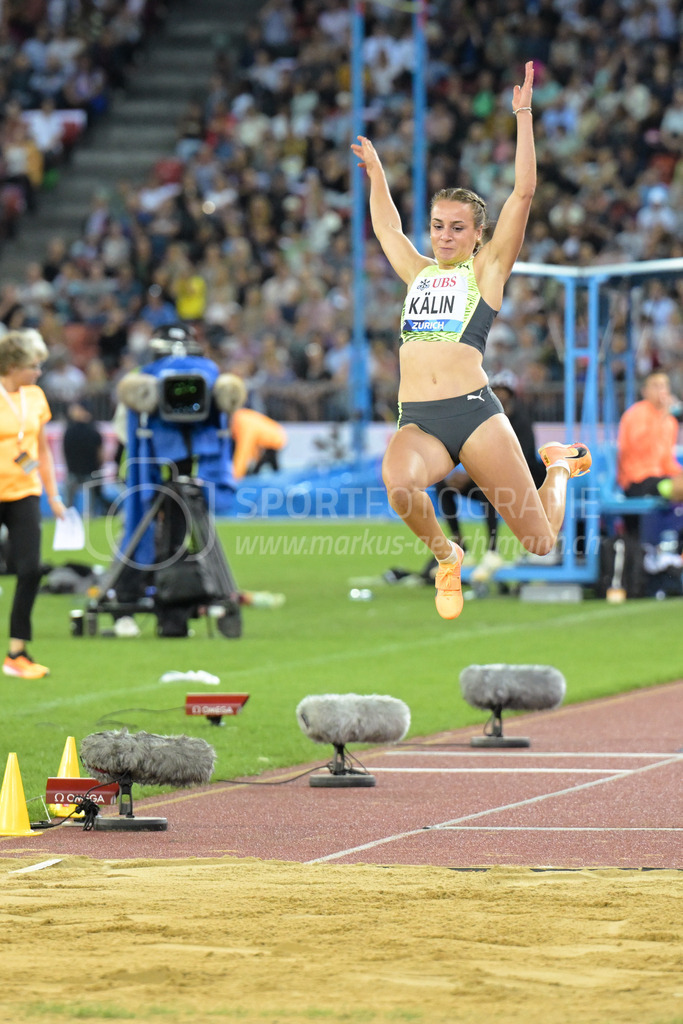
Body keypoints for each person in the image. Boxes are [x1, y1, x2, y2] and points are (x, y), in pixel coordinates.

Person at [350, 61, 591, 620]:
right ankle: (446, 554)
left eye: (458, 227)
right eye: (438, 224)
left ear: (477, 234)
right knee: (399, 486)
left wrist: (523, 115)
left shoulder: (485, 271)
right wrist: (378, 174)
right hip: (420, 418)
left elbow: (524, 193)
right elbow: (387, 227)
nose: (445, 235)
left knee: (538, 541)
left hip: (475, 415)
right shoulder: (418, 272)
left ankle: (556, 467)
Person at [0, 329, 66, 678]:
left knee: (30, 569)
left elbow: (41, 451)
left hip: (25, 489)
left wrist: (53, 496)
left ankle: (17, 652)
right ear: (12, 365)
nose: (39, 371)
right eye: (33, 365)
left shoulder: (36, 397)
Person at [617, 370, 683, 504]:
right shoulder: (635, 414)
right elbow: (638, 448)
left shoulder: (670, 422)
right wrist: (662, 417)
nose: (661, 390)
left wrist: (679, 474)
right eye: (656, 385)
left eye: (664, 385)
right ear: (645, 391)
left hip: (660, 478)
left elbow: (667, 460)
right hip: (636, 481)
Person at [62, 401, 107, 516]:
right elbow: (101, 454)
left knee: (70, 502)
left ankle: (69, 518)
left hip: (79, 470)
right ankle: (86, 516)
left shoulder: (70, 430)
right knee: (88, 504)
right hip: (85, 470)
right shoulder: (94, 430)